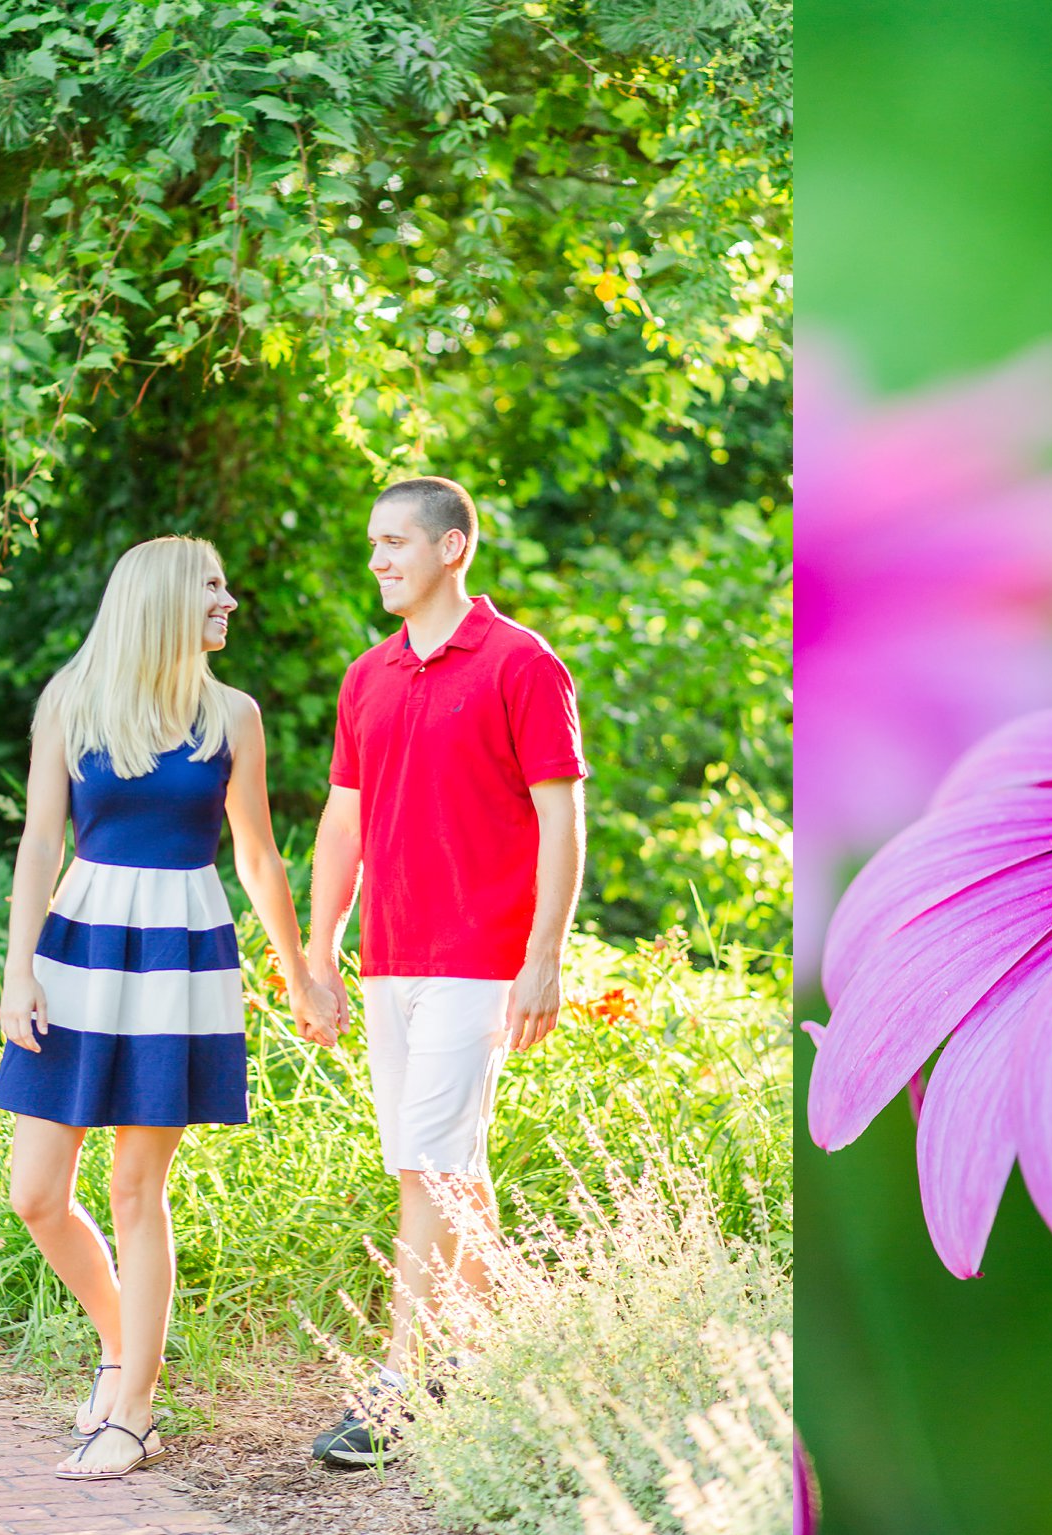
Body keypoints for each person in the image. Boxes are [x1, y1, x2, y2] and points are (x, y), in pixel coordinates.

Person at [0, 536, 331, 1480]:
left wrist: (300, 970)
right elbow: (38, 844)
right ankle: (121, 1345)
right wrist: (19, 970)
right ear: (162, 600)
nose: (229, 600)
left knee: (138, 1189)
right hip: (81, 945)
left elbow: (258, 856)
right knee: (35, 1193)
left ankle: (134, 1413)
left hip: (182, 953)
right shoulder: (72, 699)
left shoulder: (234, 714)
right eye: (212, 587)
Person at [302, 476, 587, 1470]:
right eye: (373, 542)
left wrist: (542, 954)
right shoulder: (367, 675)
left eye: (395, 543)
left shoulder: (521, 663)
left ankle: (393, 1386)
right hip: (390, 956)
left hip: (479, 956)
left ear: (452, 546)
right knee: (451, 1158)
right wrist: (319, 945)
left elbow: (560, 817)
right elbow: (341, 820)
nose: (378, 559)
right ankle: (483, 1356)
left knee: (421, 1161)